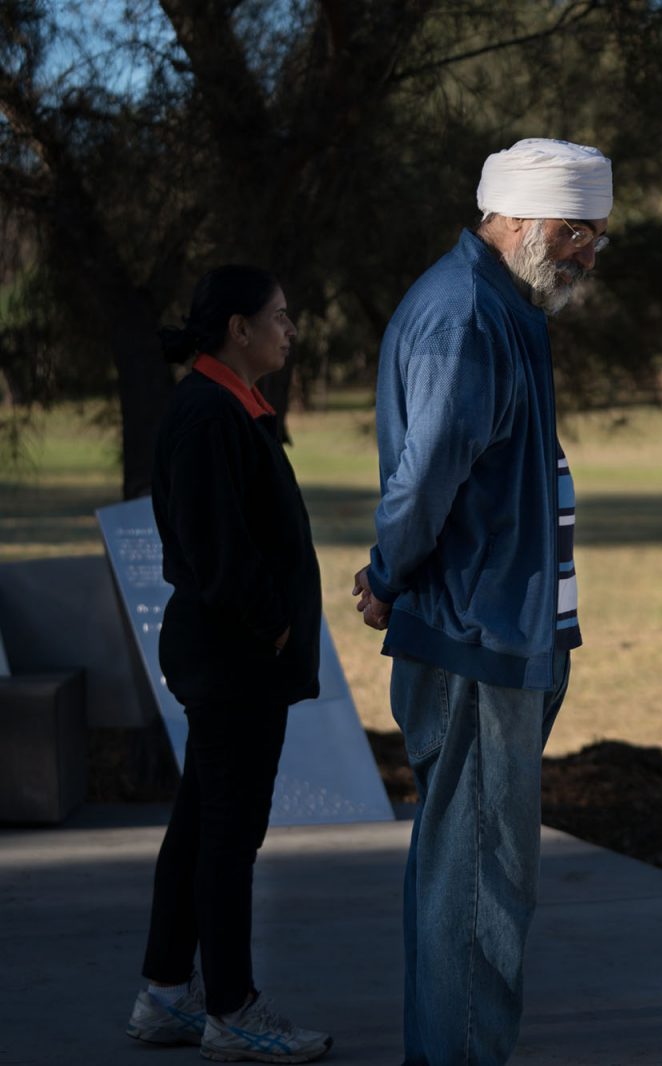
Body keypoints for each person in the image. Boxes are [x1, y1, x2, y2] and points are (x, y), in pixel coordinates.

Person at [351, 138, 610, 1065]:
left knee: (471, 875)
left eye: (597, 239)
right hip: (474, 640)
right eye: (578, 233)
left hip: (501, 634)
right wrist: (388, 575)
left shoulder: (500, 307)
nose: (587, 253)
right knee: (479, 887)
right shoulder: (467, 315)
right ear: (518, 218)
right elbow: (425, 486)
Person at [126, 266, 332, 1062]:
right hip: (233, 657)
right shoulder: (211, 415)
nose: (291, 329)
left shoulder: (228, 405)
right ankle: (233, 1009)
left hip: (230, 655)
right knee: (228, 836)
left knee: (201, 824)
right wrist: (274, 625)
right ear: (237, 330)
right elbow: (219, 551)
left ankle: (166, 994)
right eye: (279, 317)